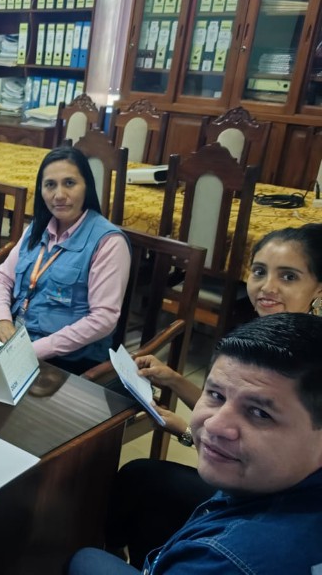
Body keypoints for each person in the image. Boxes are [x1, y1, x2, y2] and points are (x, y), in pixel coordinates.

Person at [105, 223, 322, 565]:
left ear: (319, 289)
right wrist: (174, 380)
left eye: (289, 277)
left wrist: (185, 430)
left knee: (143, 484)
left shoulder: (308, 362)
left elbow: (253, 444)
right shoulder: (264, 333)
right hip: (268, 492)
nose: (268, 288)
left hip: (272, 504)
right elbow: (242, 411)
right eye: (260, 272)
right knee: (141, 481)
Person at [68, 312, 322, 574]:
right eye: (215, 394)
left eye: (260, 413)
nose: (214, 425)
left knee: (85, 560)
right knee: (142, 478)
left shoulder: (221, 561)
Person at [0, 146, 130, 374]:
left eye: (69, 183)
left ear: (87, 187)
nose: (59, 195)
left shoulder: (108, 242)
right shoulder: (37, 228)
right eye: (50, 185)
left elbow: (104, 318)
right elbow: (0, 280)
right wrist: (2, 320)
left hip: (68, 362)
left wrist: (36, 350)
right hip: (15, 344)